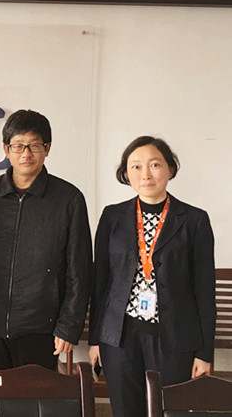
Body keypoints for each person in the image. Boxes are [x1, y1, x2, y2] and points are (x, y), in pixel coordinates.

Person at [88, 136, 215, 417]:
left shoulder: (194, 220)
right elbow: (101, 284)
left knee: (169, 410)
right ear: (126, 173)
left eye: (155, 164)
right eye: (136, 166)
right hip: (119, 338)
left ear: (170, 169)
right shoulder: (112, 217)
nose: (145, 174)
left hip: (175, 339)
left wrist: (205, 352)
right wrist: (95, 339)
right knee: (125, 411)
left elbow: (205, 291)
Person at [0, 109, 92, 370]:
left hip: (42, 327)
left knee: (36, 395)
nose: (26, 154)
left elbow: (79, 270)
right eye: (18, 146)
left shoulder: (68, 199)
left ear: (47, 149)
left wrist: (69, 326)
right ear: (6, 149)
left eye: (34, 145)